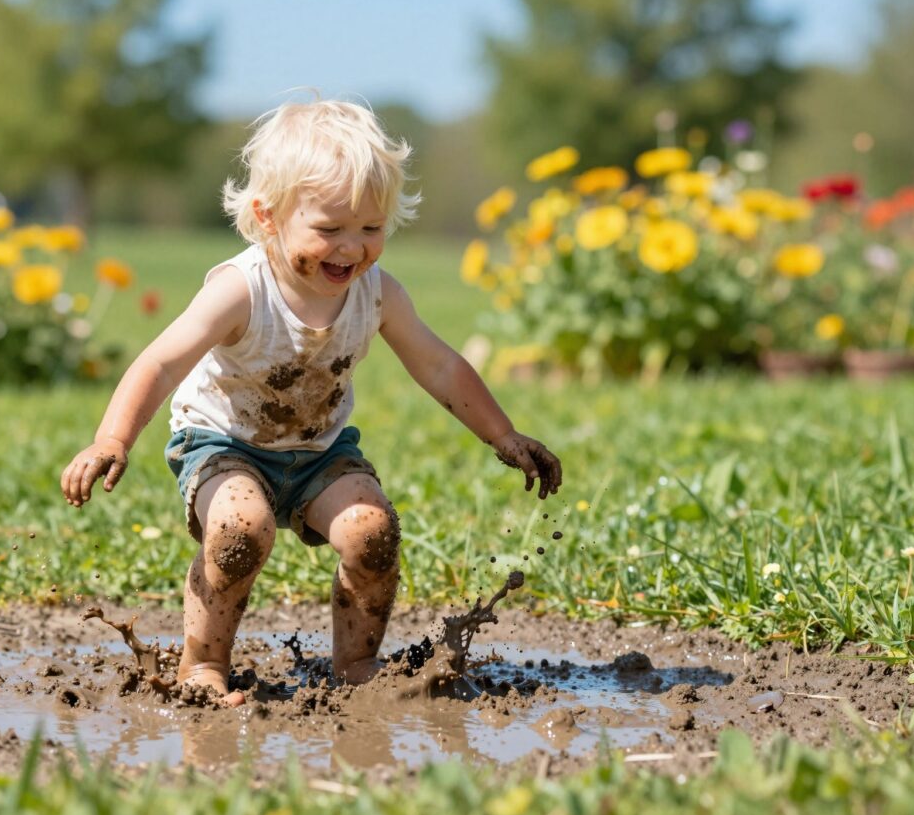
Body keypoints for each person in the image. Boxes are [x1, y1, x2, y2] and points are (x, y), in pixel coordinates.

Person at [60, 98, 562, 706]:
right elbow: (160, 361)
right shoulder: (241, 290)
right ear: (268, 218)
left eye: (371, 229)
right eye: (329, 230)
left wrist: (503, 435)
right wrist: (113, 439)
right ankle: (203, 665)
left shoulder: (377, 293)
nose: (351, 248)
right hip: (223, 444)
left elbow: (440, 365)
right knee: (240, 532)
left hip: (320, 452)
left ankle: (357, 664)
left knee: (373, 533)